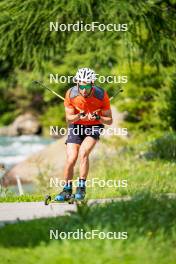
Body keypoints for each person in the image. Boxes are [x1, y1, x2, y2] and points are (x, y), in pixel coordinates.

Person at [55, 68, 112, 201]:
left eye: (87, 86)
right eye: (81, 86)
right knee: (71, 158)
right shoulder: (71, 94)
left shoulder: (101, 95)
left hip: (94, 126)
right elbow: (69, 119)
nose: (84, 90)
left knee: (84, 153)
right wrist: (78, 115)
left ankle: (81, 188)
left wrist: (98, 117)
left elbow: (109, 120)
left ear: (92, 84)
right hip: (76, 126)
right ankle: (66, 190)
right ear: (77, 84)